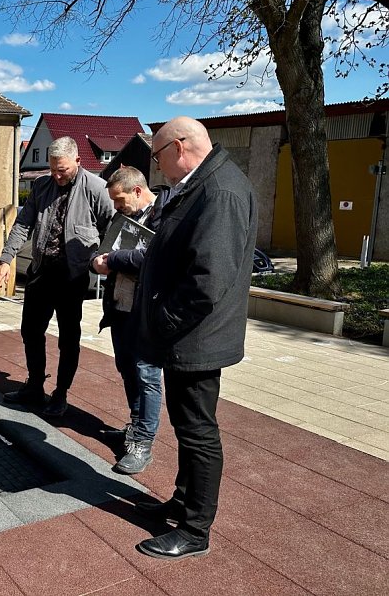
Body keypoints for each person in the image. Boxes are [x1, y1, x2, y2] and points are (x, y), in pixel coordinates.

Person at [133, 117, 257, 560]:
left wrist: (164, 320)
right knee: (189, 428)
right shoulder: (203, 182)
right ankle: (184, 503)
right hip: (190, 335)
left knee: (198, 432)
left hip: (197, 338)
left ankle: (195, 529)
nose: (155, 163)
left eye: (156, 153)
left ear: (179, 147)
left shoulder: (219, 190)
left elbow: (209, 277)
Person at [0, 136, 114, 417]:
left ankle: (60, 394)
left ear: (77, 161)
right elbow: (23, 224)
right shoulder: (42, 185)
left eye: (63, 170)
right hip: (41, 270)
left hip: (72, 275)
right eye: (53, 169)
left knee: (68, 338)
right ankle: (35, 385)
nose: (58, 176)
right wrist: (6, 259)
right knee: (31, 331)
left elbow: (113, 226)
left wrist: (103, 260)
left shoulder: (96, 189)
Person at [91, 166, 170, 475]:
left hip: (147, 311)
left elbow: (154, 259)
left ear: (138, 191)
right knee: (126, 368)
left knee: (147, 374)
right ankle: (135, 426)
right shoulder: (123, 215)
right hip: (120, 306)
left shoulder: (165, 215)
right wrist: (100, 261)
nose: (116, 207)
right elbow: (106, 249)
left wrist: (112, 260)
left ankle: (143, 442)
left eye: (120, 200)